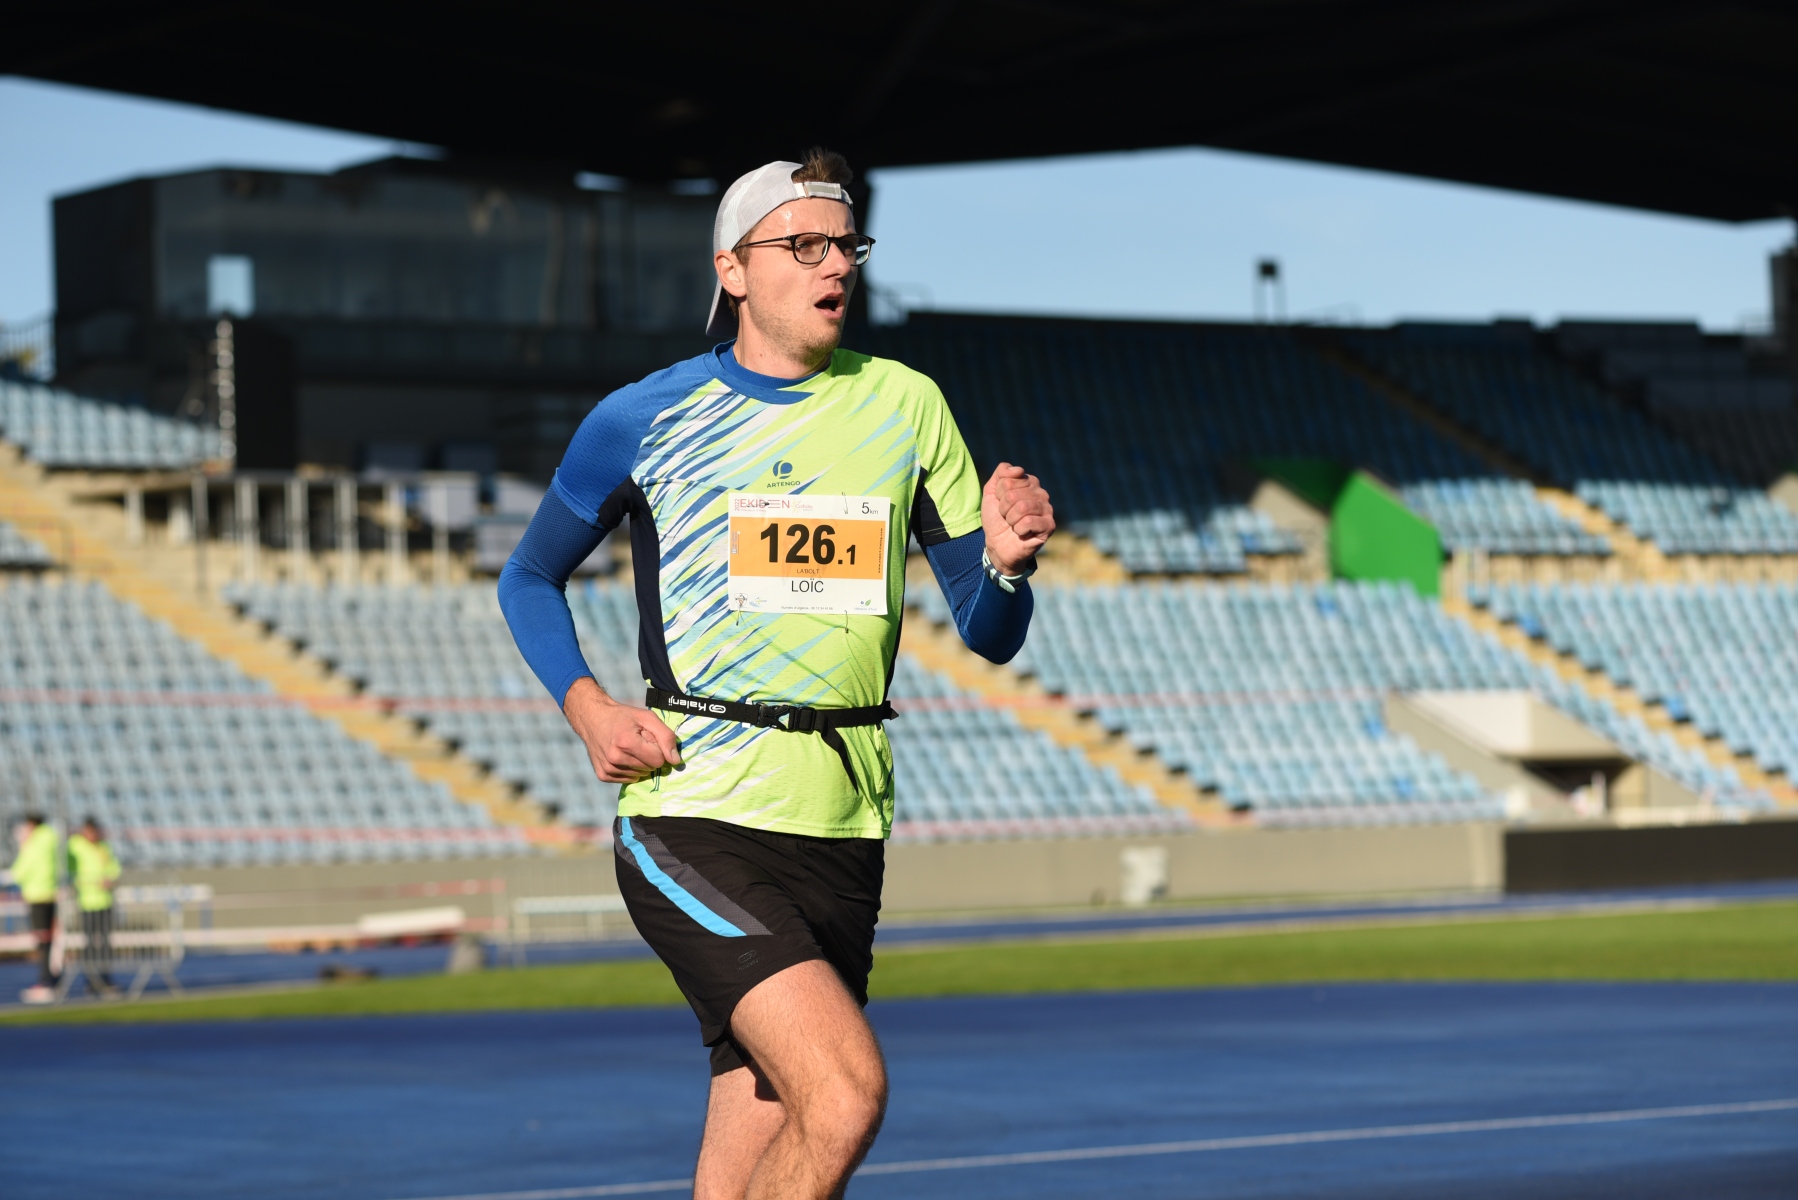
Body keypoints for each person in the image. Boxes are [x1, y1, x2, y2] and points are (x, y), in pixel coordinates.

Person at [500, 148, 1054, 1200]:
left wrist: (1008, 565)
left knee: (765, 1132)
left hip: (845, 826)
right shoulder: (642, 417)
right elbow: (529, 575)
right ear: (734, 269)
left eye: (846, 245)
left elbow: (989, 632)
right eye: (803, 245)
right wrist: (588, 706)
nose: (834, 264)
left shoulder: (906, 403)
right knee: (843, 1096)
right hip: (696, 810)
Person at [8, 813, 61, 1004]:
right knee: (48, 939)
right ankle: (51, 979)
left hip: (38, 895)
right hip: (50, 893)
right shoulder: (52, 838)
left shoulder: (33, 843)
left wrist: (23, 844)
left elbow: (19, 871)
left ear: (32, 825)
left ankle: (46, 982)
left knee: (42, 940)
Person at [66, 817, 122, 995]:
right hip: (87, 902)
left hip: (105, 901)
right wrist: (85, 882)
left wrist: (110, 879)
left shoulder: (104, 847)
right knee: (90, 942)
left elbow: (114, 868)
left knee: (105, 942)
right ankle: (91, 980)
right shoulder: (74, 846)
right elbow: (70, 871)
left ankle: (106, 978)